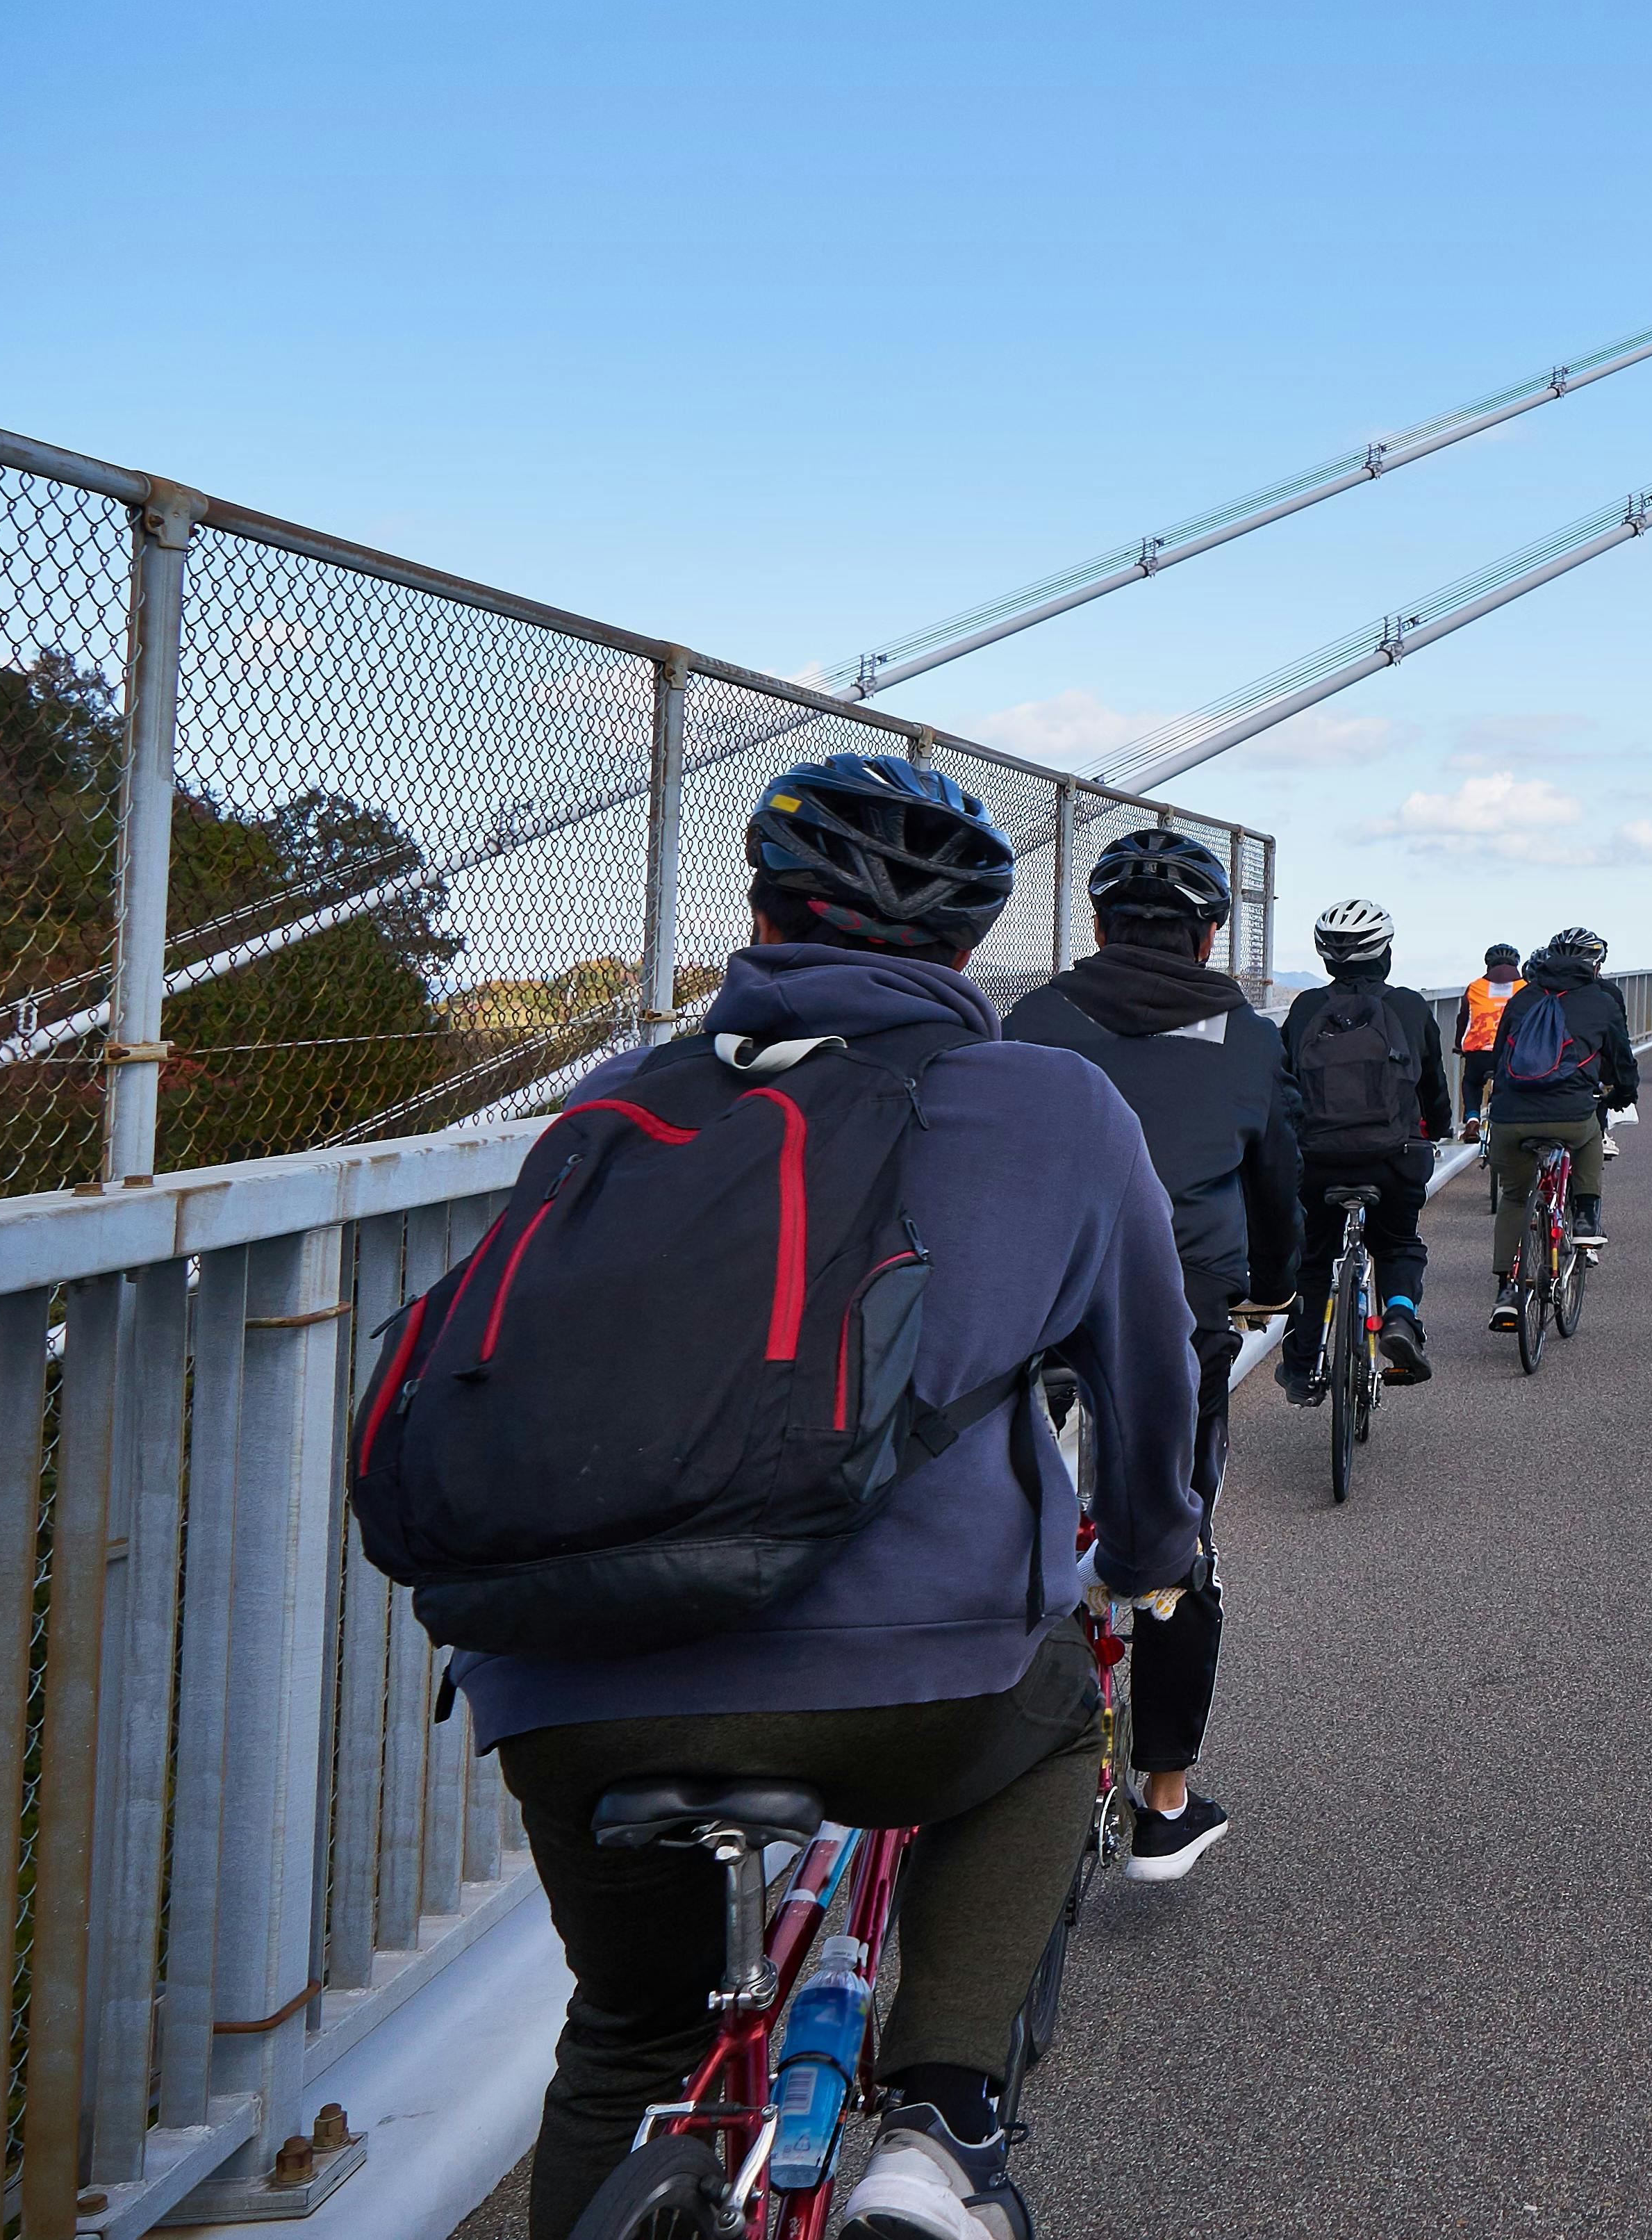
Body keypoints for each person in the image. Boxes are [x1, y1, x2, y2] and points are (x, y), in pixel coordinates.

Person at [463, 755, 1200, 2240]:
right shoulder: (1054, 1105)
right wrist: (1147, 1551)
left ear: (756, 912)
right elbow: (1148, 1378)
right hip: (915, 1678)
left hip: (563, 1681)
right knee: (1057, 1721)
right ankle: (940, 2130)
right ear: (967, 947)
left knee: (628, 2032)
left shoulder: (606, 1104)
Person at [1000, 827, 1296, 1890]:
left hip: (1027, 1295)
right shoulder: (1248, 1037)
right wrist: (1275, 1282)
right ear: (1211, 935)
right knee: (1172, 1541)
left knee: (992, 1498)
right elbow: (1274, 1183)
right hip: (1179, 1300)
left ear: (1094, 926)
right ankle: (1163, 1802)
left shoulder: (1032, 1020)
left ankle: (984, 1726)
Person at [1275, 896, 1449, 1395]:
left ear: (1326, 958)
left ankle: (1304, 1362)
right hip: (1395, 1157)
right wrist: (1437, 1127)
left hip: (1318, 1159)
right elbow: (1432, 1084)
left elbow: (1284, 1085)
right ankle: (1398, 1318)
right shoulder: (1410, 1006)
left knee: (1312, 1258)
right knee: (1397, 1244)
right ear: (1385, 953)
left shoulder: (1307, 1008)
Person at [1482, 923, 1637, 1331]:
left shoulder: (1523, 998)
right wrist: (1623, 1094)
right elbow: (1621, 1061)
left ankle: (1506, 1293)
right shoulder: (1602, 1001)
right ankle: (1585, 1218)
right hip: (1570, 1114)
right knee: (1589, 1137)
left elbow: (1499, 1059)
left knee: (1515, 1197)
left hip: (1511, 1118)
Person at [1455, 941, 1521, 1142]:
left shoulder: (1475, 988)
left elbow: (1463, 1019)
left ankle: (1472, 1120)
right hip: (1511, 1053)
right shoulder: (1525, 987)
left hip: (1479, 1053)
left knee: (1472, 1082)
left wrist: (1460, 1045)